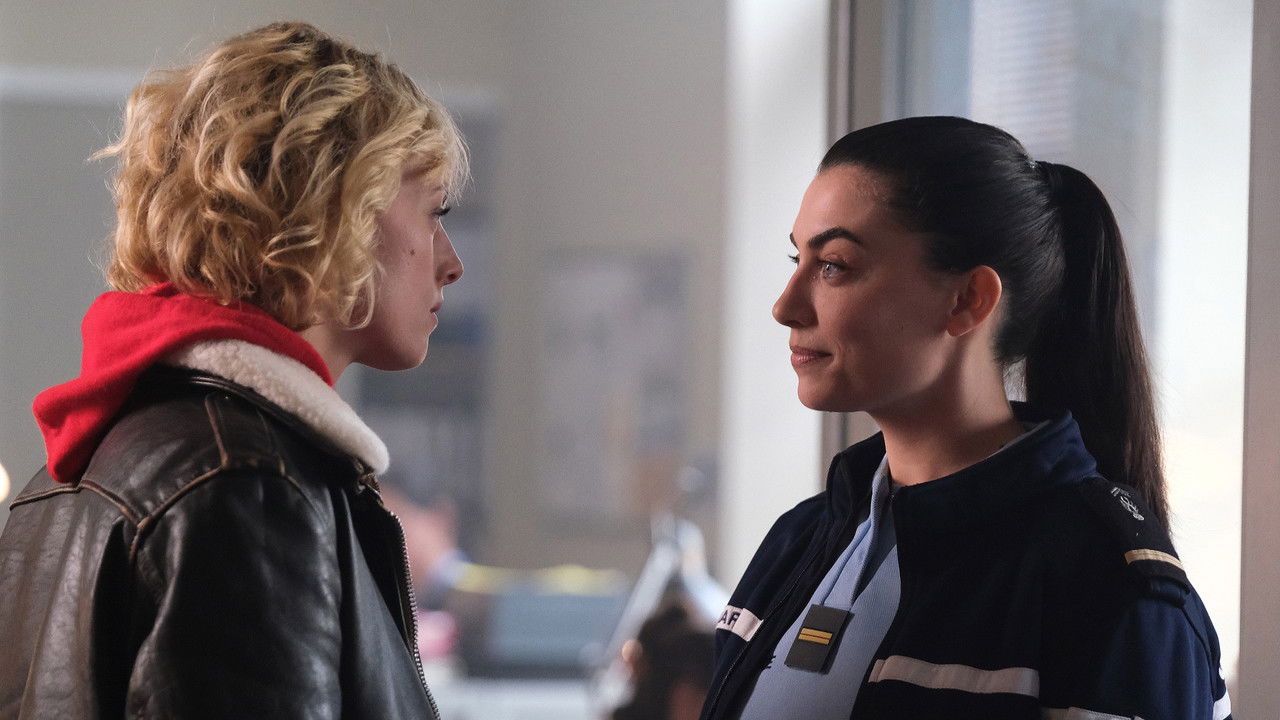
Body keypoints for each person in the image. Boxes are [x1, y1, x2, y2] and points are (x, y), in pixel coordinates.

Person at [0, 21, 465, 718]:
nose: (451, 261)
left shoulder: (72, 470)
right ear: (337, 213)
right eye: (433, 212)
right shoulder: (249, 486)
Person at [701, 117, 1231, 720]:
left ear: (968, 300)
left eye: (834, 265)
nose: (785, 306)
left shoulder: (1108, 591)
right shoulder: (798, 539)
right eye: (798, 258)